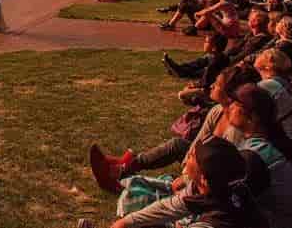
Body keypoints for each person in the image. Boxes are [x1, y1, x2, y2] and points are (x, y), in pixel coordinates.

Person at [89, 65, 260, 194]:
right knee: (178, 145)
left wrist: (188, 178)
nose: (213, 84)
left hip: (212, 178)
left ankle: (121, 176)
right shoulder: (217, 110)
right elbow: (198, 143)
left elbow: (221, 168)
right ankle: (125, 168)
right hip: (200, 162)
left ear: (229, 92)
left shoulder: (237, 127)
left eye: (217, 83)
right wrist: (188, 168)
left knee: (170, 190)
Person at [105, 137, 270, 228]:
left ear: (204, 178)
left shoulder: (219, 220)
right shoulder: (216, 187)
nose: (189, 154)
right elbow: (169, 207)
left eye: (192, 157)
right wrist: (127, 222)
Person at [228, 84, 292, 228]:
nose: (230, 106)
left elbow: (229, 204)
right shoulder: (273, 141)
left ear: (253, 117)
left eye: (236, 104)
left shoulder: (257, 156)